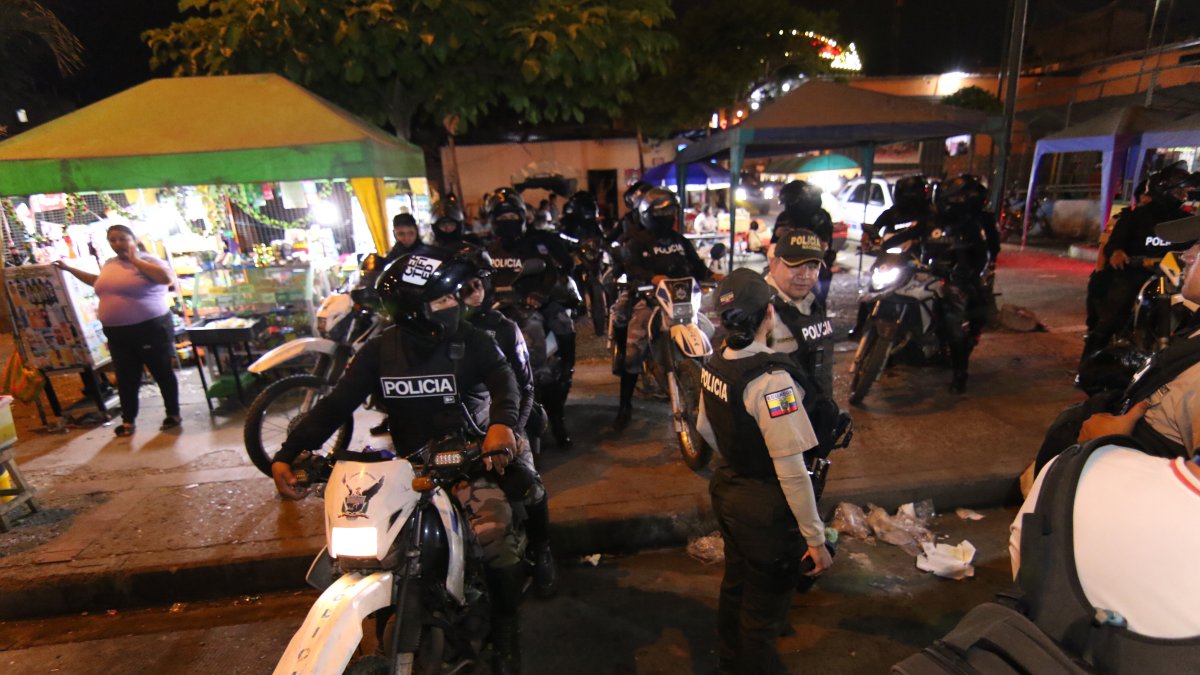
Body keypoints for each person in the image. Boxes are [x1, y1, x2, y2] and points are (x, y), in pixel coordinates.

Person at [269, 246, 528, 674]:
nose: (455, 303)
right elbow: (336, 405)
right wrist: (288, 453)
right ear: (415, 311)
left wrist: (501, 425)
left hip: (462, 461)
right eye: (443, 299)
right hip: (405, 471)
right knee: (364, 549)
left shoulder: (473, 340)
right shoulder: (379, 351)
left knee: (497, 540)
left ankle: (506, 633)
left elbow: (505, 382)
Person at [697, 268, 833, 675]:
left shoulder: (715, 362)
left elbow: (704, 428)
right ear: (769, 314)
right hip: (765, 508)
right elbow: (791, 470)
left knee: (736, 585)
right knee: (762, 614)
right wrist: (815, 539)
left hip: (728, 489)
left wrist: (740, 457)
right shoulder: (772, 381)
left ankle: (728, 662)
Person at [458, 247, 558, 598]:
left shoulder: (503, 329)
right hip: (450, 437)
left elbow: (525, 387)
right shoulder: (436, 332)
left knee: (527, 485)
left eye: (477, 284)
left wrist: (511, 432)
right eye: (463, 286)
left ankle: (542, 549)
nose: (472, 293)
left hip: (500, 426)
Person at [54, 225, 180, 437]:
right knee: (125, 376)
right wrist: (70, 270)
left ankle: (173, 414)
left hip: (150, 328)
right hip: (117, 333)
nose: (117, 244)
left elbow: (166, 279)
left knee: (161, 371)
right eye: (112, 240)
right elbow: (97, 282)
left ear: (133, 239)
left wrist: (135, 260)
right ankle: (128, 420)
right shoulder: (110, 264)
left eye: (122, 239)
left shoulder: (150, 260)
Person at [610, 187, 714, 430]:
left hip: (682, 302)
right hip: (650, 301)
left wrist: (711, 275)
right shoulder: (637, 242)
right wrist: (651, 277)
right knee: (634, 350)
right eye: (661, 212)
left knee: (707, 332)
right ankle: (624, 406)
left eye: (669, 211)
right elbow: (631, 267)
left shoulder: (680, 241)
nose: (666, 216)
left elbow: (697, 266)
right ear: (648, 214)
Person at [485, 187, 577, 449]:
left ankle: (558, 416)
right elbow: (476, 279)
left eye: (512, 216)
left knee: (558, 331)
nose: (508, 222)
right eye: (502, 218)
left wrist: (539, 294)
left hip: (531, 307)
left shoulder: (537, 244)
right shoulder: (487, 249)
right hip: (496, 311)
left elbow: (551, 272)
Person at [1082, 162, 1199, 363]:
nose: (1183, 196)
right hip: (1136, 273)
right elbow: (1114, 244)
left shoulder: (1186, 220)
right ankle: (1088, 364)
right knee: (1112, 317)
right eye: (1179, 191)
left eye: (1185, 192)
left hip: (1170, 276)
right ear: (1164, 191)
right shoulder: (1134, 216)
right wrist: (1117, 252)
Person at [766, 229, 836, 397]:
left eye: (813, 267)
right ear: (774, 264)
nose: (804, 275)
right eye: (795, 265)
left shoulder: (812, 303)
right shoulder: (758, 308)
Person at [772, 180, 835, 303]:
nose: (788, 207)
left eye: (790, 203)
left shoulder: (821, 218)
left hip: (815, 268)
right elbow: (773, 244)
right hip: (787, 269)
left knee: (815, 299)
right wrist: (779, 235)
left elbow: (825, 245)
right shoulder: (784, 217)